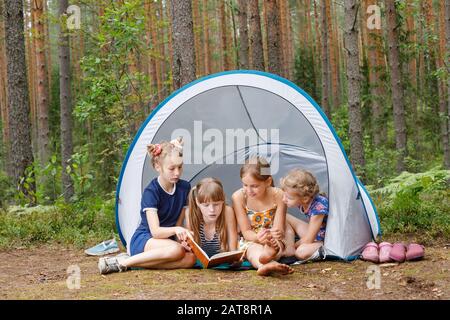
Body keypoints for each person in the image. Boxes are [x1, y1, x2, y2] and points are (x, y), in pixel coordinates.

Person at [98, 137, 196, 274]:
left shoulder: (184, 187)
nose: (177, 173)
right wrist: (176, 231)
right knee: (177, 250)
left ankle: (141, 262)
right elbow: (155, 231)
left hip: (166, 242)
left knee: (191, 259)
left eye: (180, 167)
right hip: (146, 239)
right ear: (157, 167)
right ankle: (123, 262)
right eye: (171, 168)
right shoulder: (152, 191)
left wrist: (180, 239)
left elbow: (178, 221)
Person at [231, 156, 295, 276]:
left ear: (268, 182)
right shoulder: (239, 197)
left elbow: (279, 228)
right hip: (252, 239)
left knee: (278, 246)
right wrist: (257, 238)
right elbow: (246, 232)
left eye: (254, 186)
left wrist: (273, 236)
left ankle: (268, 257)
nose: (249, 190)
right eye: (245, 185)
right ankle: (265, 264)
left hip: (272, 238)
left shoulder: (278, 195)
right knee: (251, 250)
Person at [280, 169, 328, 262]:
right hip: (318, 233)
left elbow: (309, 239)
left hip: (326, 239)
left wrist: (295, 246)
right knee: (285, 217)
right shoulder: (303, 201)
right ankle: (289, 247)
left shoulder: (319, 206)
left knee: (301, 252)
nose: (284, 199)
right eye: (284, 195)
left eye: (289, 198)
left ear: (305, 198)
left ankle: (325, 251)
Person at [184, 177, 239, 260]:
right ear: (198, 202)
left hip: (222, 259)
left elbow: (233, 246)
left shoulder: (227, 211)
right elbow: (192, 247)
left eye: (216, 204)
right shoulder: (191, 213)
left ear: (223, 201)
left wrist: (234, 259)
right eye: (206, 205)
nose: (212, 210)